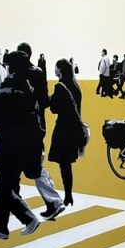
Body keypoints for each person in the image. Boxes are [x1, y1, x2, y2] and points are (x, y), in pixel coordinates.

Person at [0, 51, 42, 240]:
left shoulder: (6, 92)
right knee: (6, 186)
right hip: (25, 148)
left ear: (11, 69)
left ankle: (28, 219)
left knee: (5, 188)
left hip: (9, 148)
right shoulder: (29, 90)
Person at [17, 42, 64, 215]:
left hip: (20, 126)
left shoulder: (16, 73)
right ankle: (52, 201)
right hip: (37, 125)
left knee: (16, 165)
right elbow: (44, 101)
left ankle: (53, 201)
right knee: (31, 162)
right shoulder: (38, 72)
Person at [48, 58, 84, 211]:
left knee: (64, 165)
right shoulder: (76, 86)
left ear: (60, 70)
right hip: (74, 130)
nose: (54, 70)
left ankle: (68, 195)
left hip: (63, 129)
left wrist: (50, 98)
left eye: (56, 67)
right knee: (67, 164)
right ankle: (68, 194)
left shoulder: (60, 86)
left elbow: (54, 109)